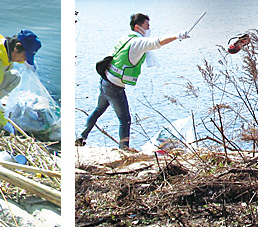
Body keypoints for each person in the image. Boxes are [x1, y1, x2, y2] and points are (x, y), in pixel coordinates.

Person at [77, 13, 189, 150]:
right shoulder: (138, 42)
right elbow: (157, 42)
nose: (149, 28)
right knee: (125, 120)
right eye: (147, 25)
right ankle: (124, 149)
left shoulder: (126, 37)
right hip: (114, 86)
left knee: (98, 110)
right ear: (138, 27)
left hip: (105, 79)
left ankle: (81, 137)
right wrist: (177, 36)